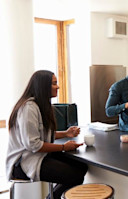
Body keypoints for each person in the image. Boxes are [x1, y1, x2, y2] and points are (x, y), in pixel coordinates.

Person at [6, 70, 87, 199]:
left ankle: (52, 197)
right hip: (22, 163)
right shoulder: (29, 108)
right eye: (54, 83)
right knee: (75, 175)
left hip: (36, 155)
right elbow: (33, 144)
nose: (58, 86)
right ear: (43, 86)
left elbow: (41, 135)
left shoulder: (39, 105)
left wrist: (66, 133)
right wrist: (63, 147)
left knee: (81, 167)